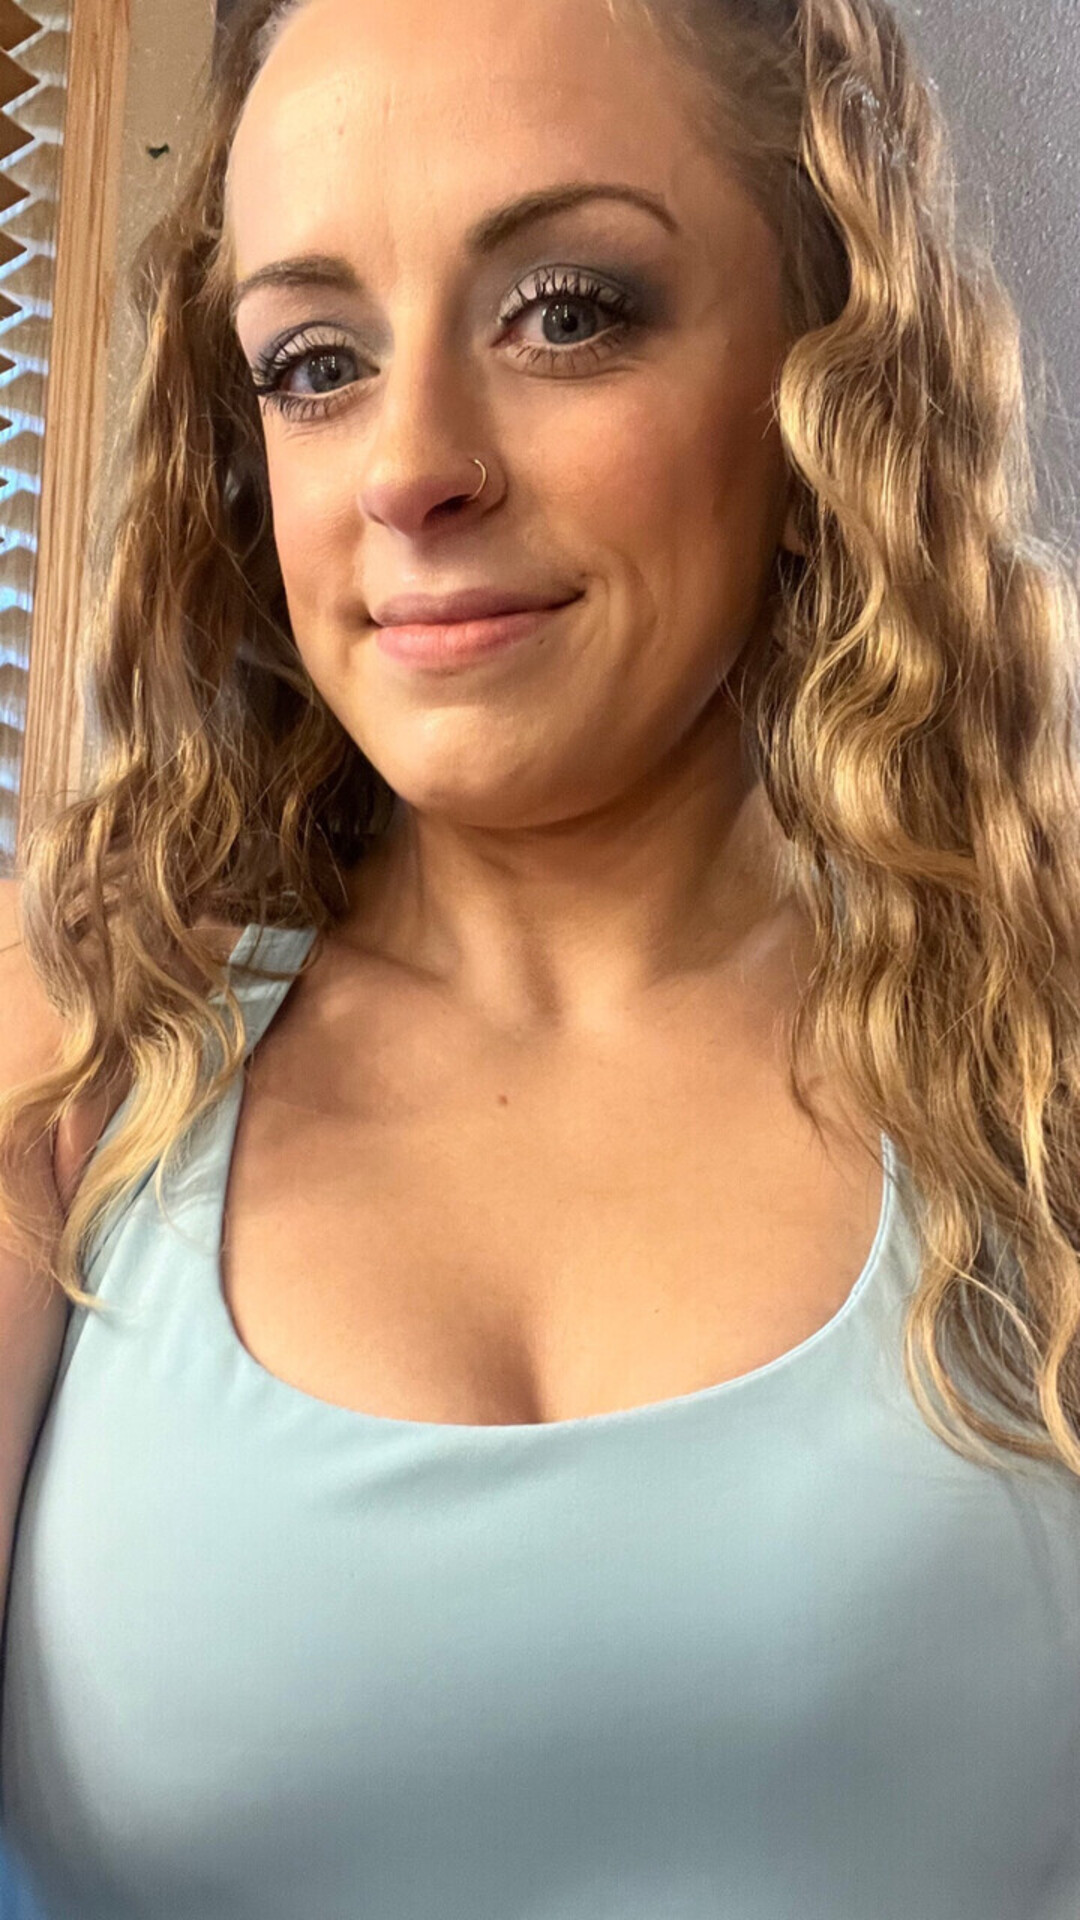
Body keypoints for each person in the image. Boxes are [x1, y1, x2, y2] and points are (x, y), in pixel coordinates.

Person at [0, 0, 1077, 1913]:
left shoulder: (1041, 1042)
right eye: (315, 362)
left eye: (566, 312)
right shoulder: (81, 1042)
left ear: (818, 364)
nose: (409, 466)